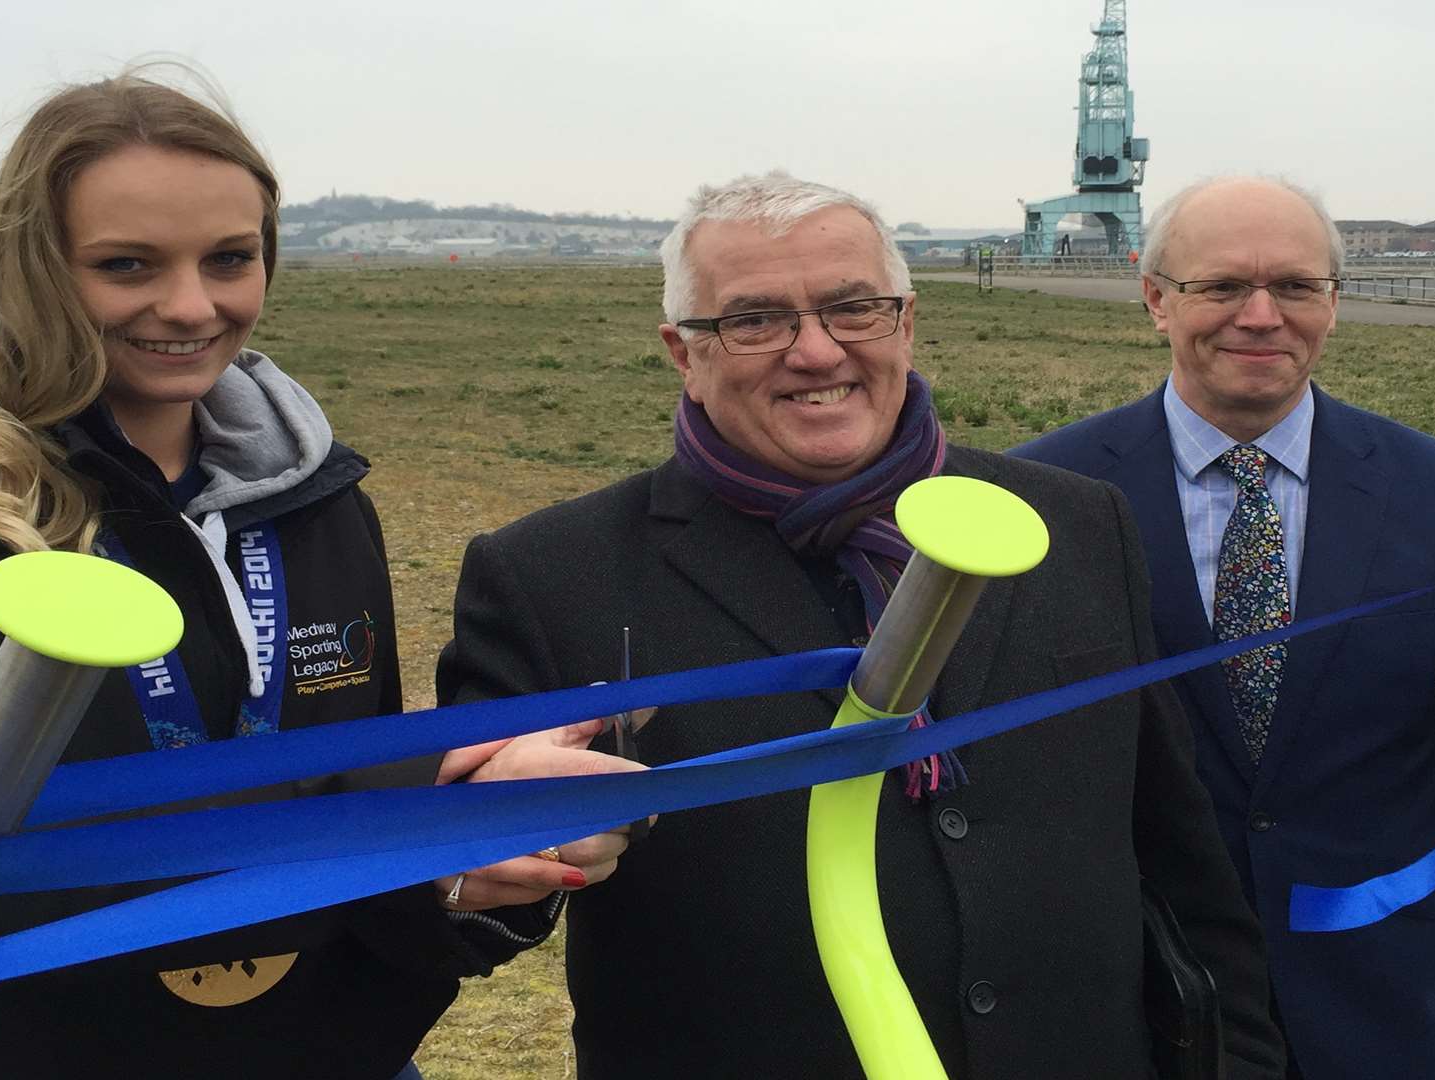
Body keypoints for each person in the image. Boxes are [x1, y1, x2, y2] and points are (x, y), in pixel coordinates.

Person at [0, 71, 637, 1080]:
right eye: (127, 265)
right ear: (31, 269)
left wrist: (466, 859)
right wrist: (391, 829)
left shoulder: (322, 505)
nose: (191, 305)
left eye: (230, 259)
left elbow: (340, 788)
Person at [435, 172, 1286, 1079]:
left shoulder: (1074, 524)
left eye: (854, 307)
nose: (815, 350)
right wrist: (483, 867)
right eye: (754, 319)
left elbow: (1177, 851)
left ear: (906, 321)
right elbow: (464, 901)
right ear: (683, 352)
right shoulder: (548, 574)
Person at [1011, 176, 1435, 1080]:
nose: (1262, 317)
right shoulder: (1044, 491)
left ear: (1334, 305)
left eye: (1297, 287)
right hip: (1149, 989)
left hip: (1392, 994)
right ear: (1157, 299)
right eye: (1222, 287)